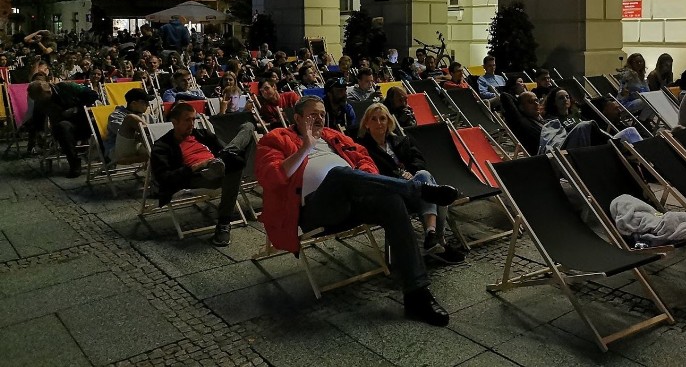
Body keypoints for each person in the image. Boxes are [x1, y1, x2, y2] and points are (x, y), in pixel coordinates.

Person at [255, 95, 458, 325]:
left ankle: (417, 294)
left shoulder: (333, 136)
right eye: (313, 115)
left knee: (391, 201)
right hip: (315, 210)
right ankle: (417, 190)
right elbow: (270, 178)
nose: (320, 118)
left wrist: (367, 183)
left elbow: (364, 159)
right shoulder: (276, 138)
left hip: (353, 201)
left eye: (322, 114)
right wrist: (305, 148)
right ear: (298, 118)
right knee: (339, 175)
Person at [356, 103, 465, 263]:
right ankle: (438, 239)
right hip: (392, 191)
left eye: (383, 118)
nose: (379, 123)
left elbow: (419, 160)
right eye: (374, 119)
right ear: (366, 123)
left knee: (426, 180)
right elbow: (371, 174)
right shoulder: (362, 148)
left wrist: (411, 173)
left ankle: (432, 237)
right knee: (437, 192)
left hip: (415, 186)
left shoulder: (401, 141)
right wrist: (400, 175)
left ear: (389, 122)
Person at [149, 102, 255, 246]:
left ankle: (219, 164)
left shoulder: (202, 134)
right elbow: (164, 178)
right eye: (187, 120)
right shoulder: (162, 146)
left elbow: (224, 149)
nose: (192, 124)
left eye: (193, 119)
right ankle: (224, 223)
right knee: (235, 167)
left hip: (220, 165)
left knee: (247, 127)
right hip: (196, 176)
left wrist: (221, 158)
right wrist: (196, 167)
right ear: (174, 122)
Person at [27, 79, 100, 177]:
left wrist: (76, 108)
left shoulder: (66, 87)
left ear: (47, 91)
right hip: (64, 128)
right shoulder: (40, 102)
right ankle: (74, 164)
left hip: (84, 122)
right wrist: (39, 132)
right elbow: (37, 119)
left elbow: (93, 95)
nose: (38, 100)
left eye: (39, 98)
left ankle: (107, 159)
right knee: (63, 127)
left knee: (100, 121)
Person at [539, 87, 610, 154]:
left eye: (567, 97)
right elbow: (559, 140)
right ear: (554, 102)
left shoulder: (575, 114)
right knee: (584, 126)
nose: (565, 99)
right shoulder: (553, 120)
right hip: (574, 148)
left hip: (591, 142)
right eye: (561, 98)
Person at [105, 87, 153, 165]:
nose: (148, 104)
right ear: (134, 103)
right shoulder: (116, 116)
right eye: (145, 102)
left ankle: (141, 157)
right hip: (119, 151)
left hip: (141, 146)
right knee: (130, 118)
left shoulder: (148, 116)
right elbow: (122, 133)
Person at [499, 90, 544, 156]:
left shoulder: (541, 120)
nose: (536, 103)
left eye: (537, 100)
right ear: (521, 107)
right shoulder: (522, 122)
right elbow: (505, 96)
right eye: (531, 102)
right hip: (546, 154)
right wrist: (519, 102)